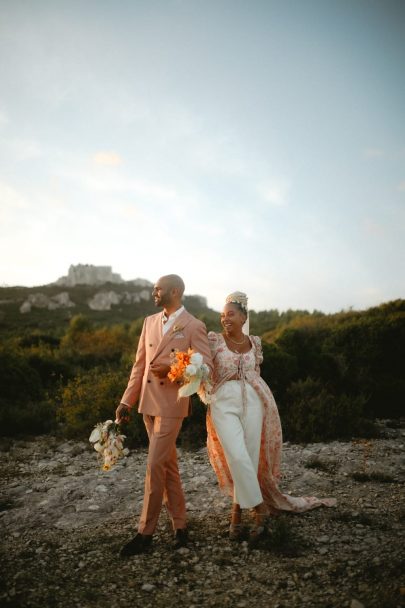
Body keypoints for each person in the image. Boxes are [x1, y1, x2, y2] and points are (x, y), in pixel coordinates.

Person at [206, 291, 336, 543]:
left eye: (230, 314)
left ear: (243, 317)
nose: (225, 319)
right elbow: (204, 368)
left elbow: (256, 372)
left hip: (255, 401)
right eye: (222, 315)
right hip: (223, 403)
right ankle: (259, 509)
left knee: (251, 456)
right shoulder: (214, 341)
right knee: (236, 454)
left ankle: (236, 515)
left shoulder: (255, 342)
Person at [116, 274, 213, 556]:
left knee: (154, 466)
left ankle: (145, 533)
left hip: (172, 404)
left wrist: (174, 371)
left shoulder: (194, 325)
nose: (153, 292)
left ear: (174, 291)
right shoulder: (148, 322)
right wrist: (126, 401)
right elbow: (139, 365)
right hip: (147, 403)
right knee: (168, 466)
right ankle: (180, 527)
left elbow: (205, 367)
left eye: (158, 289)